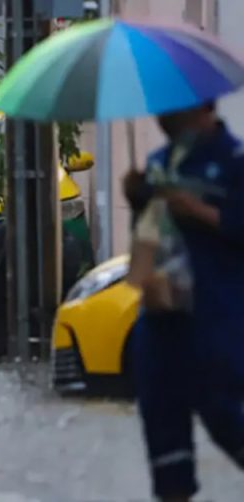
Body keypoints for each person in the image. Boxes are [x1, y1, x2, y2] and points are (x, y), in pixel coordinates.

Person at [124, 102, 244, 501]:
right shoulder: (159, 163)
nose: (164, 117)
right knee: (164, 437)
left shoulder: (234, 161)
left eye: (175, 108)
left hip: (217, 318)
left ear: (204, 106)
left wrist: (199, 210)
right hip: (162, 319)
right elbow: (146, 240)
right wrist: (138, 199)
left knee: (226, 416)